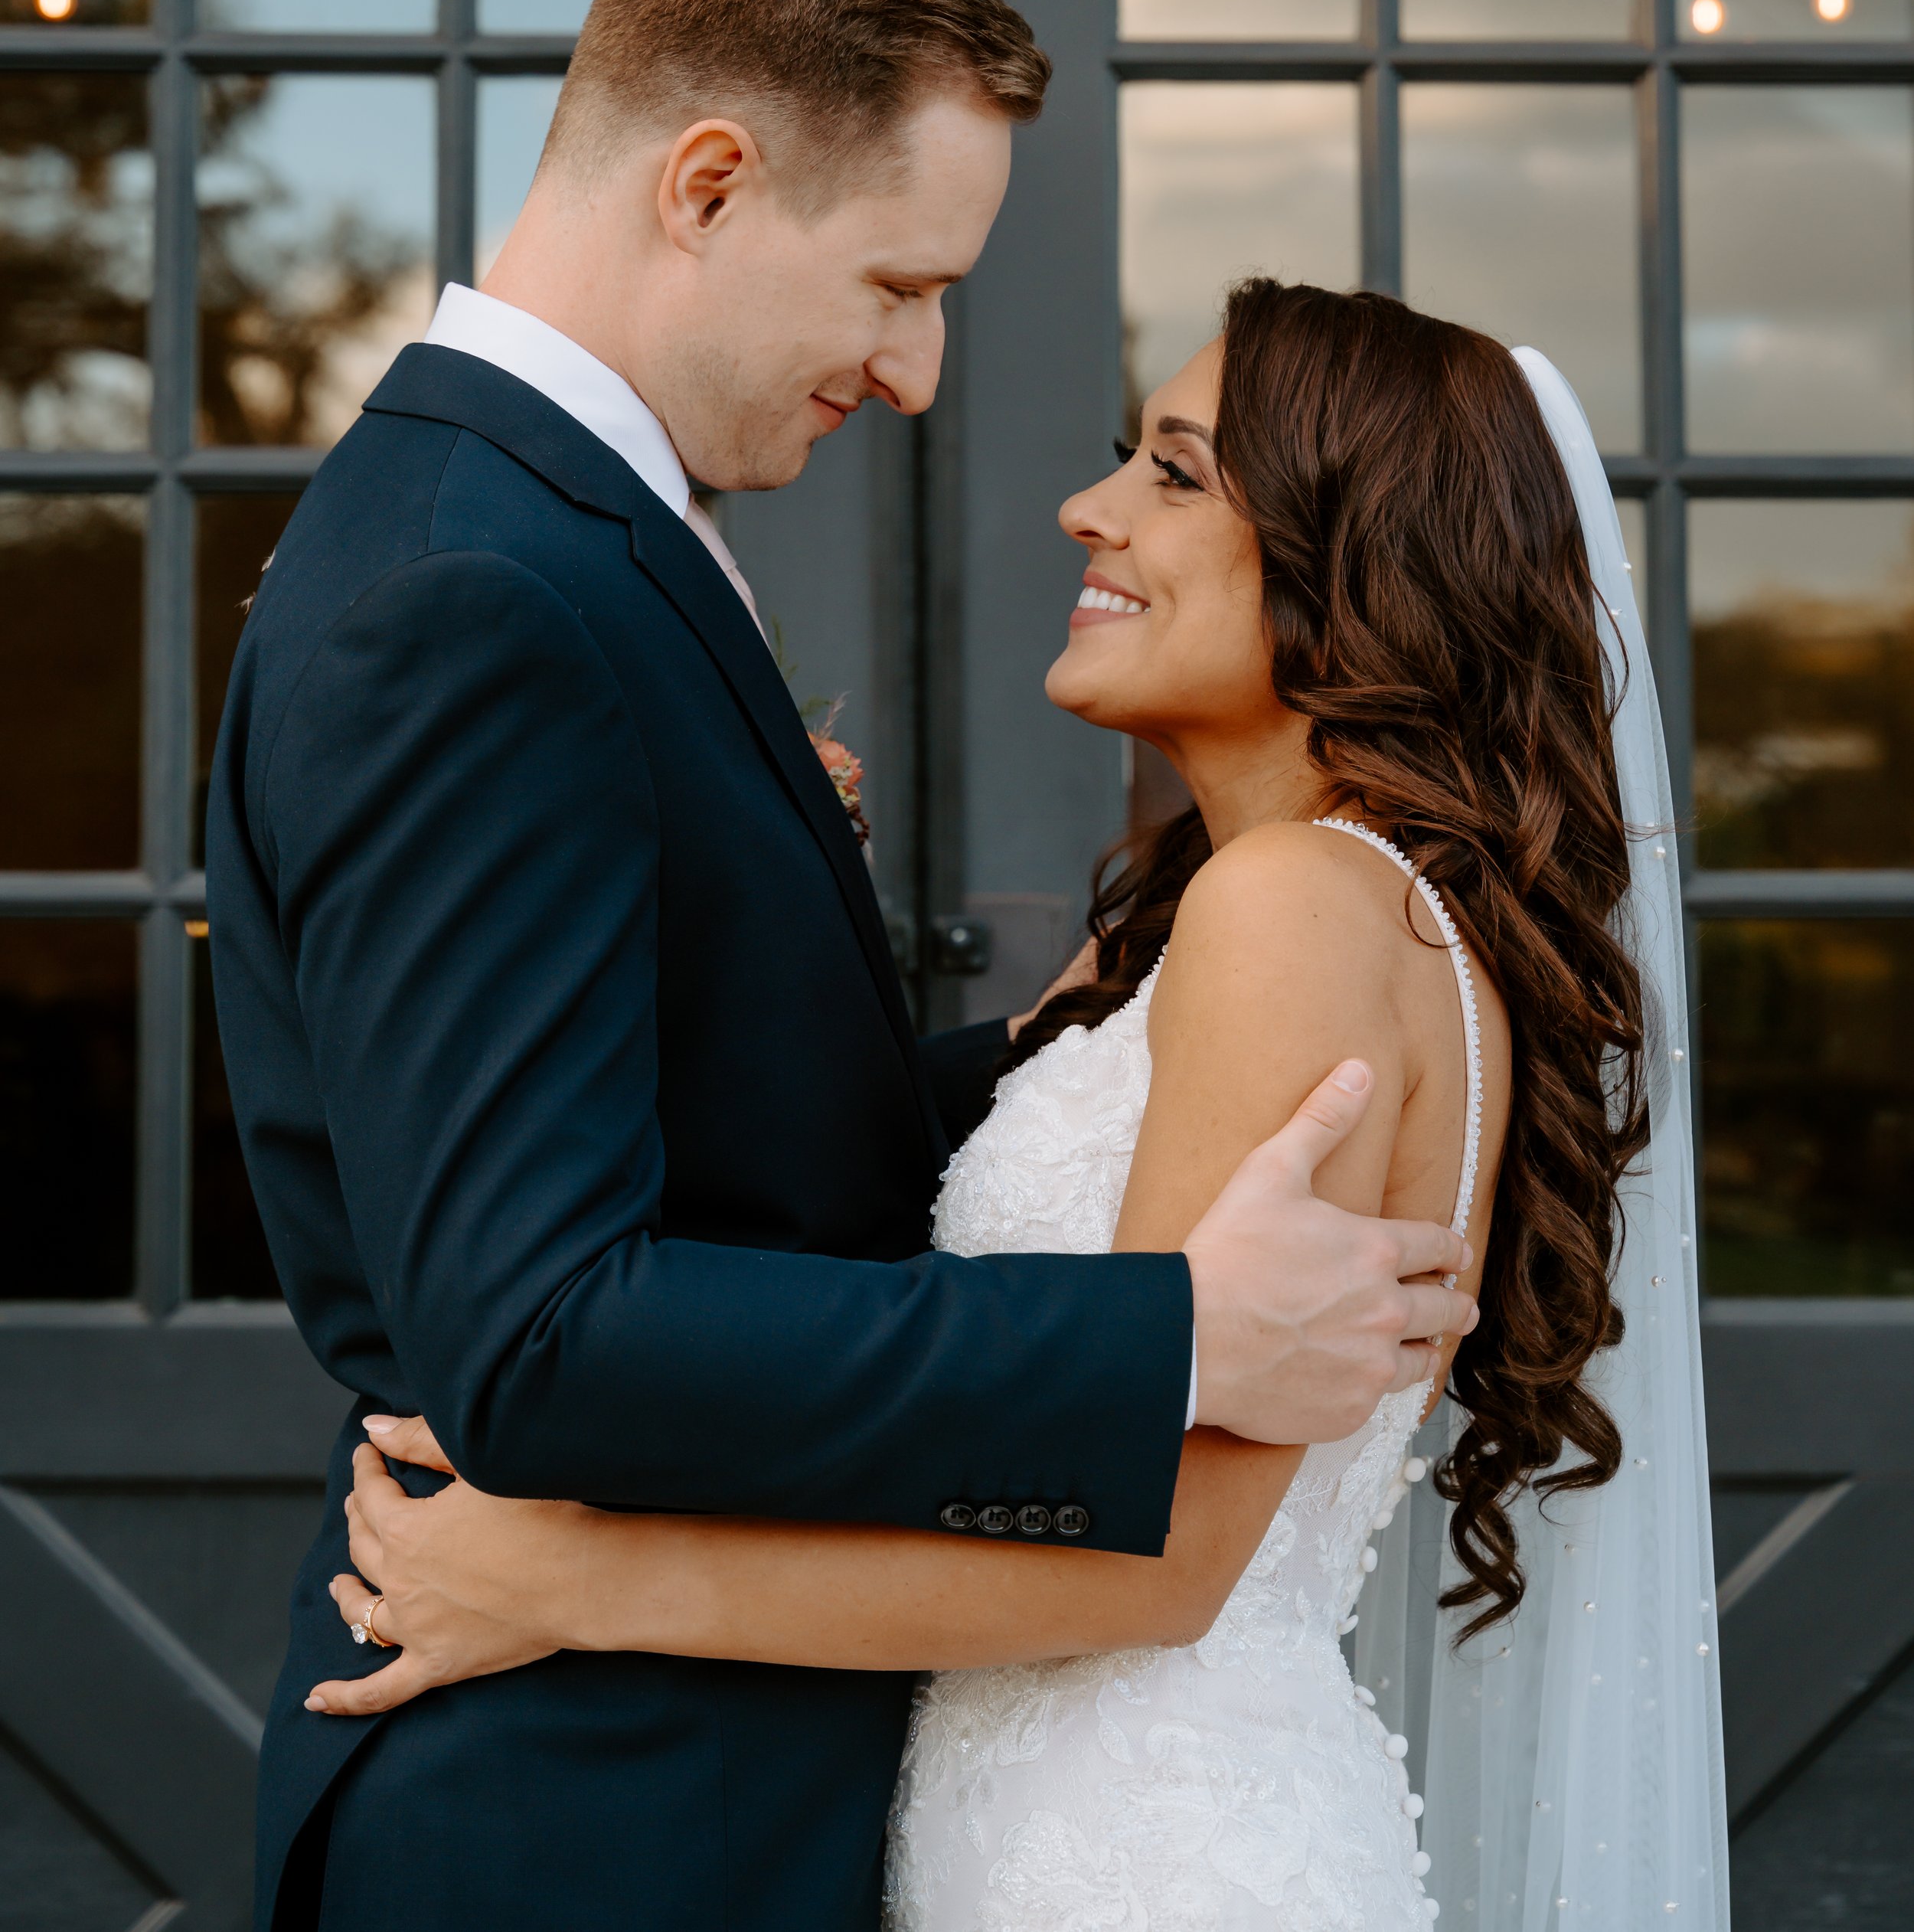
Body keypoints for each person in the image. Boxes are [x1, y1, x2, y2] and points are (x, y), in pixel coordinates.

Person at [205, 0, 1476, 1932]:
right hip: (589, 1825)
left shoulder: (551, 536)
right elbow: (538, 1329)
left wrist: (1079, 1053)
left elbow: (713, 1131)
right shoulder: (479, 588)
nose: (915, 369)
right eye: (899, 283)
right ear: (706, 184)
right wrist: (1167, 1333)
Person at [302, 284, 1731, 1927]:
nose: (1087, 506)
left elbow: (1162, 1558)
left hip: (1150, 1866)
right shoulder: (1267, 918)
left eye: (1174, 474)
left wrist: (572, 1580)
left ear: (1365, 566)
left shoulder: (1297, 912)